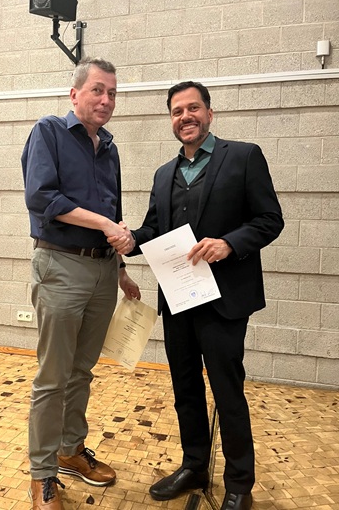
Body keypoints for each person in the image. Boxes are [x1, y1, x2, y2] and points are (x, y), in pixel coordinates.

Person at [108, 81, 284, 510]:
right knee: (184, 387)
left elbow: (269, 219)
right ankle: (194, 466)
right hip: (178, 298)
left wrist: (229, 243)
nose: (185, 116)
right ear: (171, 120)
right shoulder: (163, 174)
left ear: (209, 113)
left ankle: (239, 484)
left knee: (227, 391)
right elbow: (155, 228)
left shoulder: (244, 157)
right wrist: (131, 239)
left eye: (193, 108)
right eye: (177, 111)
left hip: (225, 300)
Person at [21, 57, 140, 510]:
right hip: (60, 265)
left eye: (112, 93)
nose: (106, 100)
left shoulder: (109, 147)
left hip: (103, 270)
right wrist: (106, 224)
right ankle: (42, 474)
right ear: (75, 94)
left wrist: (121, 269)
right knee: (53, 376)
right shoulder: (48, 131)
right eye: (97, 90)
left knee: (82, 371)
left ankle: (70, 450)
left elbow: (113, 209)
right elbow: (42, 198)